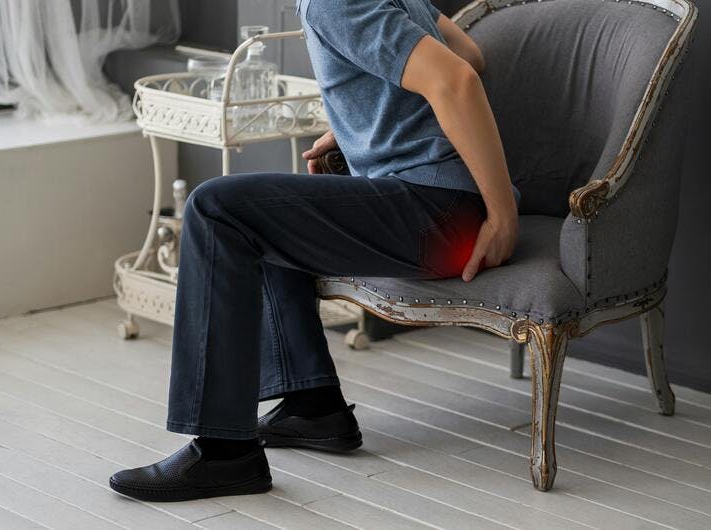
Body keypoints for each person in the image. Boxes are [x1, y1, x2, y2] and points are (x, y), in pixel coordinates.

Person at [109, 0, 520, 502]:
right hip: (444, 204)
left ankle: (223, 454)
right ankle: (311, 402)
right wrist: (354, 124)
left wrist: (503, 218)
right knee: (255, 215)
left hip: (441, 216)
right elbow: (470, 53)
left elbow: (457, 79)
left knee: (216, 209)